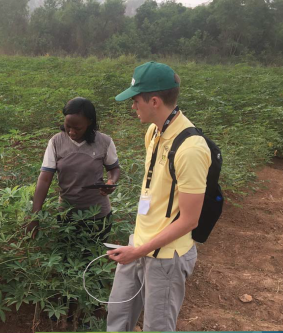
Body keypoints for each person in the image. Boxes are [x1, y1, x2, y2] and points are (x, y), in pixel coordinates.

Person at [106, 62, 210, 332]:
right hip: (138, 245)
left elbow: (189, 220)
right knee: (117, 317)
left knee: (157, 327)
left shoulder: (191, 149)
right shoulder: (153, 132)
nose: (132, 107)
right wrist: (136, 247)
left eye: (135, 100)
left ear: (153, 101)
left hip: (166, 257)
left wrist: (138, 251)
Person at [29, 97, 120, 240]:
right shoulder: (56, 142)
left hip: (98, 215)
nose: (71, 132)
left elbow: (114, 168)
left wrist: (111, 181)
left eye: (77, 128)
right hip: (67, 215)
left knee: (94, 259)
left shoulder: (104, 141)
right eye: (68, 126)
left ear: (89, 123)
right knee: (66, 259)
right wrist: (35, 215)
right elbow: (45, 179)